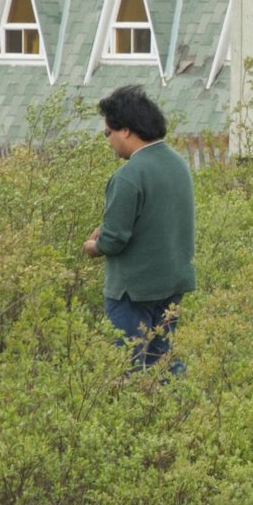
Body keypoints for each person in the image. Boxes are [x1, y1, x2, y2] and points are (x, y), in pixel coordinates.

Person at [84, 85, 197, 375]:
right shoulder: (177, 164)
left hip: (131, 290)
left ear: (125, 130)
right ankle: (178, 415)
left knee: (128, 368)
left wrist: (95, 246)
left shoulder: (129, 175)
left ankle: (139, 419)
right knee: (163, 363)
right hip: (171, 284)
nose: (108, 141)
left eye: (107, 133)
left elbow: (114, 240)